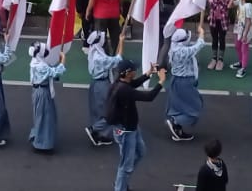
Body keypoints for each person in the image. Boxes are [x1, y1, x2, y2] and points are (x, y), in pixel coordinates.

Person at [108, 60, 167, 191]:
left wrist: (148, 74)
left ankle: (121, 181)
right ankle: (120, 187)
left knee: (140, 152)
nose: (136, 71)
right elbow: (149, 97)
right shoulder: (124, 90)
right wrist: (161, 81)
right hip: (126, 131)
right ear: (128, 73)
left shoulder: (120, 84)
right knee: (126, 165)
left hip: (131, 127)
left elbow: (134, 84)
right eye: (134, 69)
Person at [165, 26, 206, 142]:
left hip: (176, 81)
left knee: (179, 106)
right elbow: (199, 45)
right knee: (195, 107)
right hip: (185, 82)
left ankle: (178, 129)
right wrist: (202, 33)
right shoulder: (182, 51)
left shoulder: (174, 47)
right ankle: (176, 122)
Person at [83, 30, 121, 146]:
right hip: (102, 85)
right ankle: (94, 129)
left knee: (97, 110)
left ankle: (99, 135)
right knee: (109, 110)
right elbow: (117, 60)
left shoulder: (94, 53)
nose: (106, 40)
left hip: (95, 84)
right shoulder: (99, 57)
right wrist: (121, 42)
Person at [27, 43, 66, 152]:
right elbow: (56, 72)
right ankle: (42, 143)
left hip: (39, 91)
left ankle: (39, 138)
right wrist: (63, 59)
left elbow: (49, 72)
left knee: (41, 116)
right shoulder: (41, 66)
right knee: (45, 117)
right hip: (43, 92)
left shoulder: (36, 62)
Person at [205, 0, 232, 71]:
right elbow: (212, 5)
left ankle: (220, 60)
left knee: (222, 39)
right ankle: (214, 59)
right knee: (214, 39)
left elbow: (226, 6)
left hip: (223, 20)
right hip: (213, 20)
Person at [231, 0, 252, 78]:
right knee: (237, 46)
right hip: (238, 28)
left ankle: (243, 68)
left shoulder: (248, 6)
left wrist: (245, 35)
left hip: (246, 31)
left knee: (244, 49)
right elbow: (229, 5)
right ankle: (241, 62)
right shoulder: (239, 1)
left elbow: (249, 21)